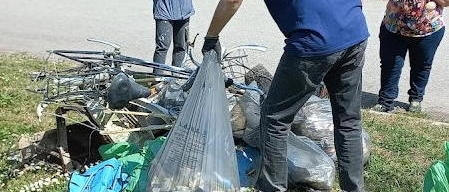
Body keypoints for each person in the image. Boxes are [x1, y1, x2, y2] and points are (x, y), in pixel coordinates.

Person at [202, 0, 369, 191]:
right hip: (354, 30)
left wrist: (211, 37)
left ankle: (274, 188)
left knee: (274, 118)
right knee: (348, 121)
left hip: (313, 41)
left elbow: (232, 1)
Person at [373, 0, 448, 113]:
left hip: (428, 30)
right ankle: (385, 102)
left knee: (421, 66)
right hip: (393, 27)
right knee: (390, 65)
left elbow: (446, 2)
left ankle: (416, 100)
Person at [152, 0, 194, 74]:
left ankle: (176, 76)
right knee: (162, 48)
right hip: (164, 11)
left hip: (184, 12)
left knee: (181, 47)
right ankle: (157, 78)